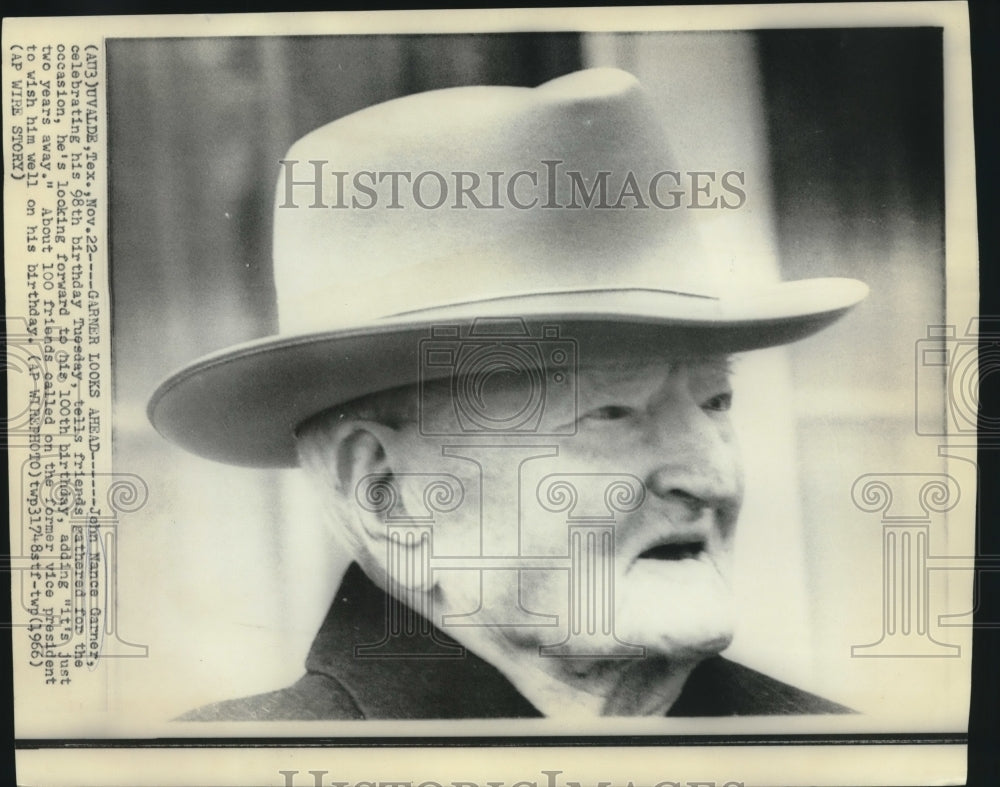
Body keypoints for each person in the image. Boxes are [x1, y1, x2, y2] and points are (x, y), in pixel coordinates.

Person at [148, 68, 867, 719]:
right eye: (611, 412)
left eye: (716, 402)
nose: (711, 474)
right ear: (389, 493)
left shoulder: (843, 755)